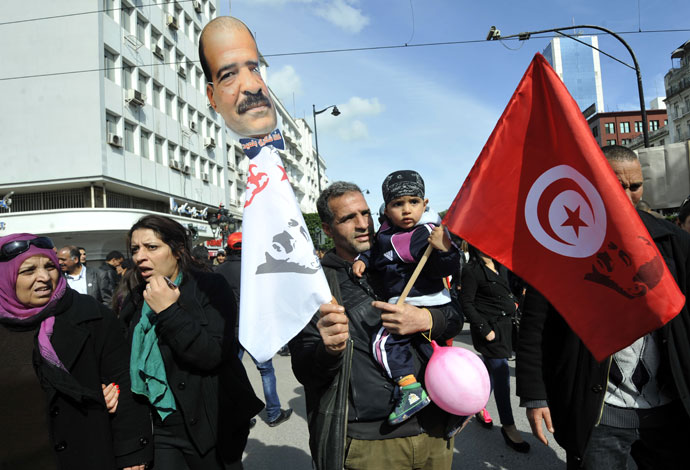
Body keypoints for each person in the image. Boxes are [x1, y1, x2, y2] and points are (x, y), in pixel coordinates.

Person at [516, 145, 690, 470]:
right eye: (615, 183)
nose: (626, 194)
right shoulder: (563, 248)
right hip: (599, 414)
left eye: (634, 186)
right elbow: (535, 324)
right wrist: (535, 395)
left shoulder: (674, 244)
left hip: (668, 414)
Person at [290, 182, 463, 470]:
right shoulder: (315, 285)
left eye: (366, 213)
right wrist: (329, 350)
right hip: (371, 445)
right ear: (328, 229)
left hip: (435, 429)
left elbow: (456, 317)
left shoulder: (407, 257)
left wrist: (428, 320)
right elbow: (304, 370)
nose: (362, 225)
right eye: (348, 218)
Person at [120, 215, 263, 469]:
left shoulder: (210, 286)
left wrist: (168, 312)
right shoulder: (133, 295)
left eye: (151, 247)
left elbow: (212, 354)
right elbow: (124, 363)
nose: (140, 256)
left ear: (177, 250)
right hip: (161, 426)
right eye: (135, 249)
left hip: (211, 424)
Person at [0, 233, 152, 469]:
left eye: (50, 266)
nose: (43, 277)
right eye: (28, 271)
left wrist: (132, 454)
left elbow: (124, 381)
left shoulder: (91, 315)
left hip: (83, 455)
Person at [351, 170, 460, 425]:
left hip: (422, 301)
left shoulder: (428, 233)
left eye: (414, 202)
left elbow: (444, 268)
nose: (407, 210)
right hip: (407, 300)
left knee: (383, 343)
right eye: (397, 204)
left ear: (425, 203)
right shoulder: (386, 234)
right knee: (431, 353)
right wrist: (362, 260)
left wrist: (444, 250)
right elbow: (377, 251)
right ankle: (454, 402)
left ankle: (410, 390)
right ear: (387, 210)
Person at [215, 232, 293, 427]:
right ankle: (274, 413)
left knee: (233, 373)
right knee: (266, 370)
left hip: (230, 328)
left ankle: (240, 415)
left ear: (229, 248)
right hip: (255, 328)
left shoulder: (218, 271)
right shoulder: (257, 268)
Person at [460, 245, 530, 453]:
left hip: (508, 329)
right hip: (491, 332)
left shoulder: (502, 265)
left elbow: (513, 289)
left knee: (489, 375)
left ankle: (472, 409)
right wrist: (485, 330)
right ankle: (508, 426)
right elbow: (467, 303)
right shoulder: (471, 270)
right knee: (501, 377)